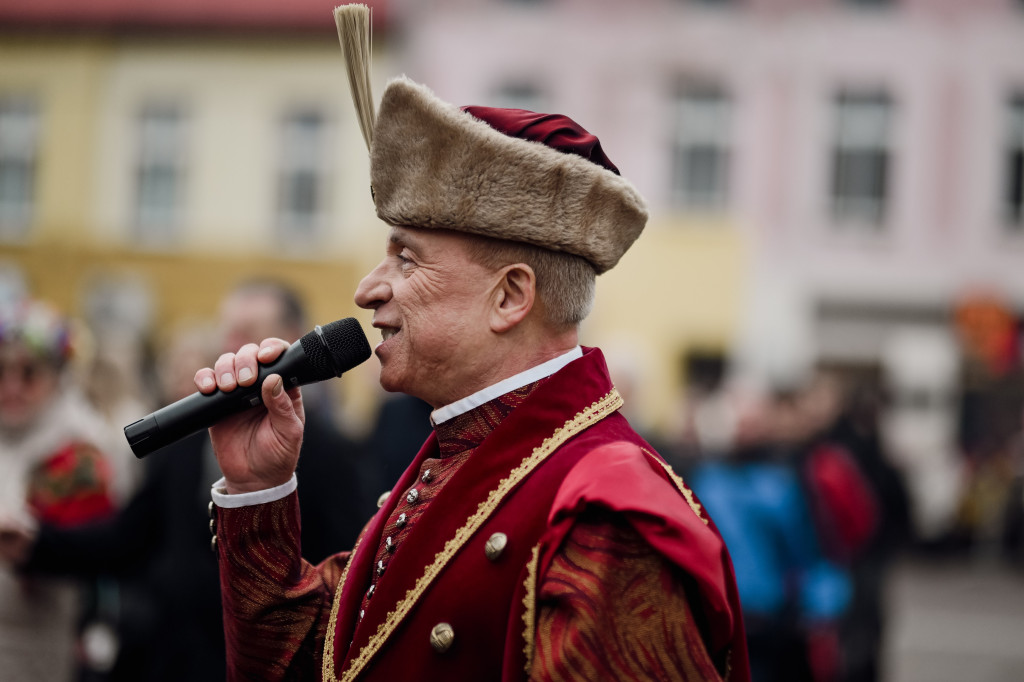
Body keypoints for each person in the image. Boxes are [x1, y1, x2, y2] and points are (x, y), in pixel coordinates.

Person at [200, 8, 749, 680]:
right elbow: (314, 666)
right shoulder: (460, 452)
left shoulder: (606, 513)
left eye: (406, 258)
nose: (368, 290)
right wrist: (260, 487)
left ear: (511, 298)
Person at [0, 280, 372, 681]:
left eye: (246, 332)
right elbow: (129, 537)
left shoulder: (331, 452)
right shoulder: (188, 437)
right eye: (226, 331)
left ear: (292, 339)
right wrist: (37, 546)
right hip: (170, 659)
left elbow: (342, 569)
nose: (231, 344)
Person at [0, 298, 117, 681]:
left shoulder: (82, 447)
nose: (11, 386)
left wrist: (34, 543)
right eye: (1, 371)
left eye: (29, 373)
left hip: (37, 644)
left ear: (56, 376)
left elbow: (98, 548)